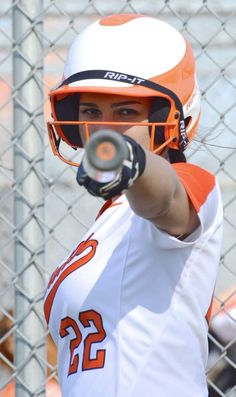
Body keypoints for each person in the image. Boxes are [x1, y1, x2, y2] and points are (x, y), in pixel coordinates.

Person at [44, 13, 223, 397]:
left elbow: (166, 201)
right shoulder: (106, 224)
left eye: (126, 112)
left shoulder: (190, 184)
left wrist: (133, 162)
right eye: (91, 112)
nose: (104, 128)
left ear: (174, 120)